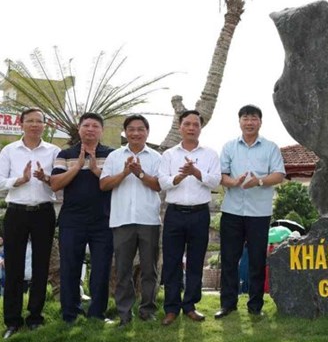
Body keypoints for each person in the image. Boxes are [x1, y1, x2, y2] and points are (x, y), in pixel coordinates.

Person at [215, 104, 285, 319]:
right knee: (228, 259)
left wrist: (259, 181)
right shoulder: (228, 147)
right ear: (239, 121)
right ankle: (228, 304)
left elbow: (279, 175)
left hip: (259, 213)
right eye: (245, 118)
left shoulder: (271, 147)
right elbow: (221, 175)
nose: (249, 122)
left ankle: (255, 306)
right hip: (232, 211)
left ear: (260, 122)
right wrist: (234, 182)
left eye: (254, 118)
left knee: (256, 260)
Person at [0, 108, 60, 339]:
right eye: (30, 121)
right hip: (16, 213)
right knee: (13, 267)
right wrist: (21, 180)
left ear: (45, 125)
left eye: (39, 121)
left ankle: (35, 317)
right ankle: (12, 321)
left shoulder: (54, 151)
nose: (35, 125)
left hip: (44, 213)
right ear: (21, 124)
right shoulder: (9, 151)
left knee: (40, 266)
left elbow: (59, 181)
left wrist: (46, 178)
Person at [158, 110, 221, 326]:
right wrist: (180, 176)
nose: (191, 127)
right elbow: (163, 182)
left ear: (200, 128)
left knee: (196, 261)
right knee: (172, 262)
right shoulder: (168, 155)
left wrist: (196, 172)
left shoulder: (210, 154)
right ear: (180, 127)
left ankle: (190, 306)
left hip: (199, 213)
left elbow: (215, 182)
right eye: (187, 124)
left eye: (196, 124)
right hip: (174, 213)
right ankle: (171, 308)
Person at [50, 112, 114, 324]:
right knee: (69, 267)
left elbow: (114, 183)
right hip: (72, 220)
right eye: (86, 125)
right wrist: (77, 166)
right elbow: (55, 184)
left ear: (101, 131)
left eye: (95, 126)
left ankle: (97, 313)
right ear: (79, 129)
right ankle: (70, 313)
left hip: (103, 220)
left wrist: (96, 170)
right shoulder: (66, 154)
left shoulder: (112, 155)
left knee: (101, 268)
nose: (90, 129)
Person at [99, 115, 162, 327]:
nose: (136, 133)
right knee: (123, 269)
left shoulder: (156, 157)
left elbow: (159, 186)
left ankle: (148, 310)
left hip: (149, 220)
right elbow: (104, 184)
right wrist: (125, 172)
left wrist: (140, 173)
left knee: (149, 269)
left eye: (140, 129)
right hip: (122, 219)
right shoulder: (114, 156)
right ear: (125, 132)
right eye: (131, 129)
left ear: (147, 132)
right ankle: (124, 313)